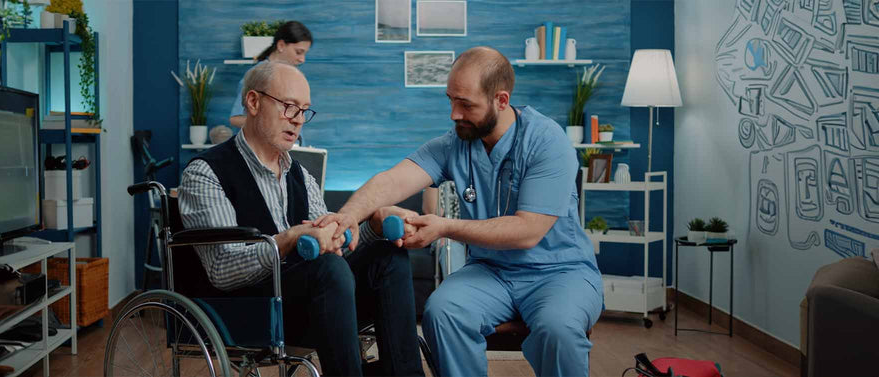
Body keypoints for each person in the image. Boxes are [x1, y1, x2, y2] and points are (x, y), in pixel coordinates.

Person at [314, 46, 604, 377]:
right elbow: (392, 181)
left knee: (558, 329)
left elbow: (528, 231)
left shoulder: (547, 142)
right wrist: (350, 215)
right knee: (442, 311)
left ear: (501, 100)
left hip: (560, 273)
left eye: (466, 104)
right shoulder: (457, 143)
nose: (454, 113)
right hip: (491, 272)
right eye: (450, 100)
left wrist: (444, 227)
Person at [178, 61, 425, 377]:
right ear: (253, 102)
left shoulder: (301, 175)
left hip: (307, 304)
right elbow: (222, 270)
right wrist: (286, 239)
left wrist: (371, 227)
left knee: (388, 257)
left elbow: (332, 247)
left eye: (304, 111)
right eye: (288, 107)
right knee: (327, 268)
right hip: (248, 312)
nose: (297, 122)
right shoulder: (205, 172)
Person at [229, 20, 313, 129]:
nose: (302, 59)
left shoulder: (293, 78)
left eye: (304, 53)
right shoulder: (257, 75)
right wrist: (273, 123)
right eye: (298, 52)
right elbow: (235, 119)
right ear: (281, 45)